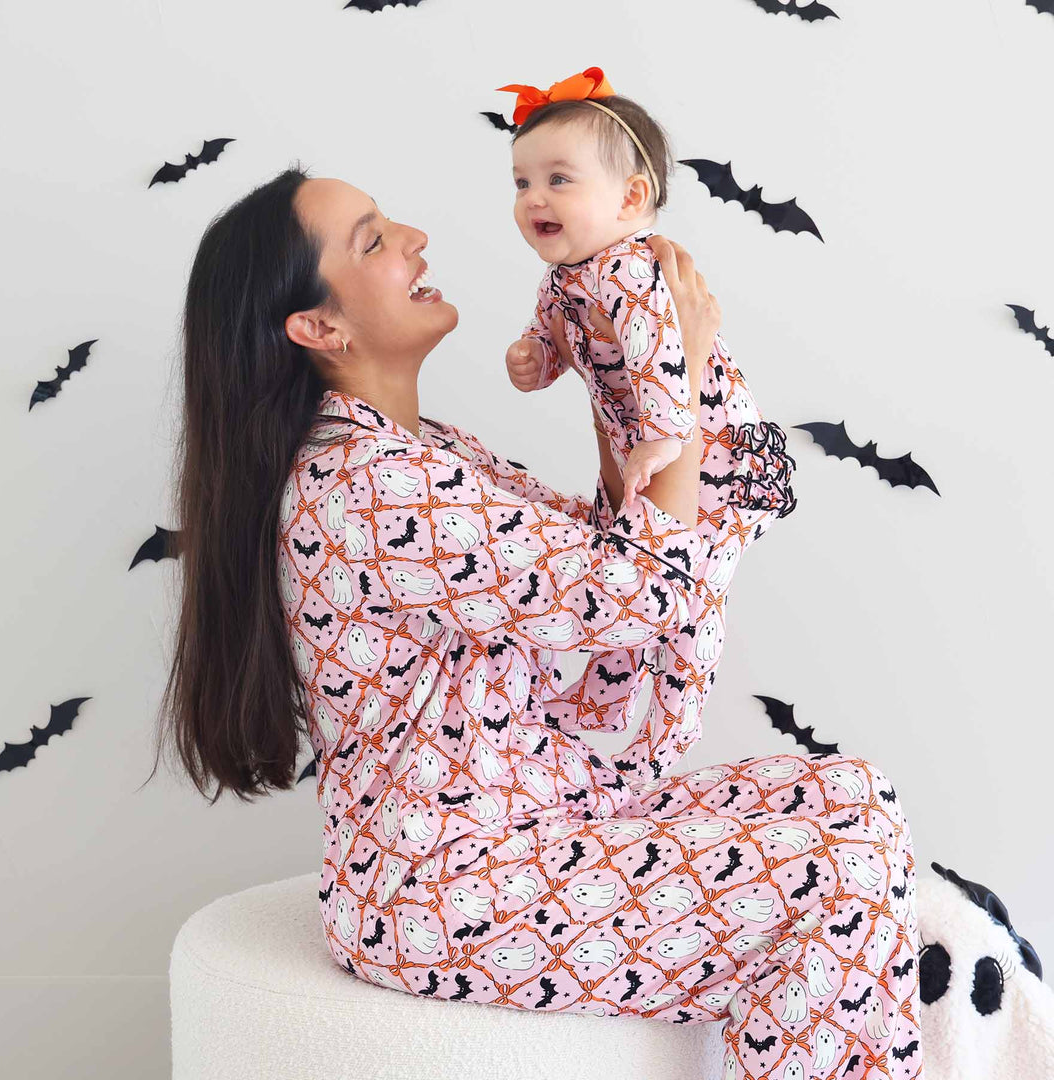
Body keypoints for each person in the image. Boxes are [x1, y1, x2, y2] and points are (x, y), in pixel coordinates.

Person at [151, 166, 922, 1078]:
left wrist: (622, 376)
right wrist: (684, 365)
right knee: (835, 865)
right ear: (320, 328)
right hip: (452, 892)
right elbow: (640, 590)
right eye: (371, 239)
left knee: (852, 798)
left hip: (535, 829)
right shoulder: (364, 485)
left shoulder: (423, 452)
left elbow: (595, 572)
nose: (413, 239)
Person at [500, 67, 798, 787]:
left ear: (631, 198)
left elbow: (663, 355)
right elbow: (555, 352)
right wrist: (530, 360)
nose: (535, 198)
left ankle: (668, 730)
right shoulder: (563, 279)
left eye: (558, 179)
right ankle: (603, 704)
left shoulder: (634, 269)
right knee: (628, 579)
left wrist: (664, 438)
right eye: (521, 182)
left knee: (685, 598)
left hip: (717, 465)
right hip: (646, 463)